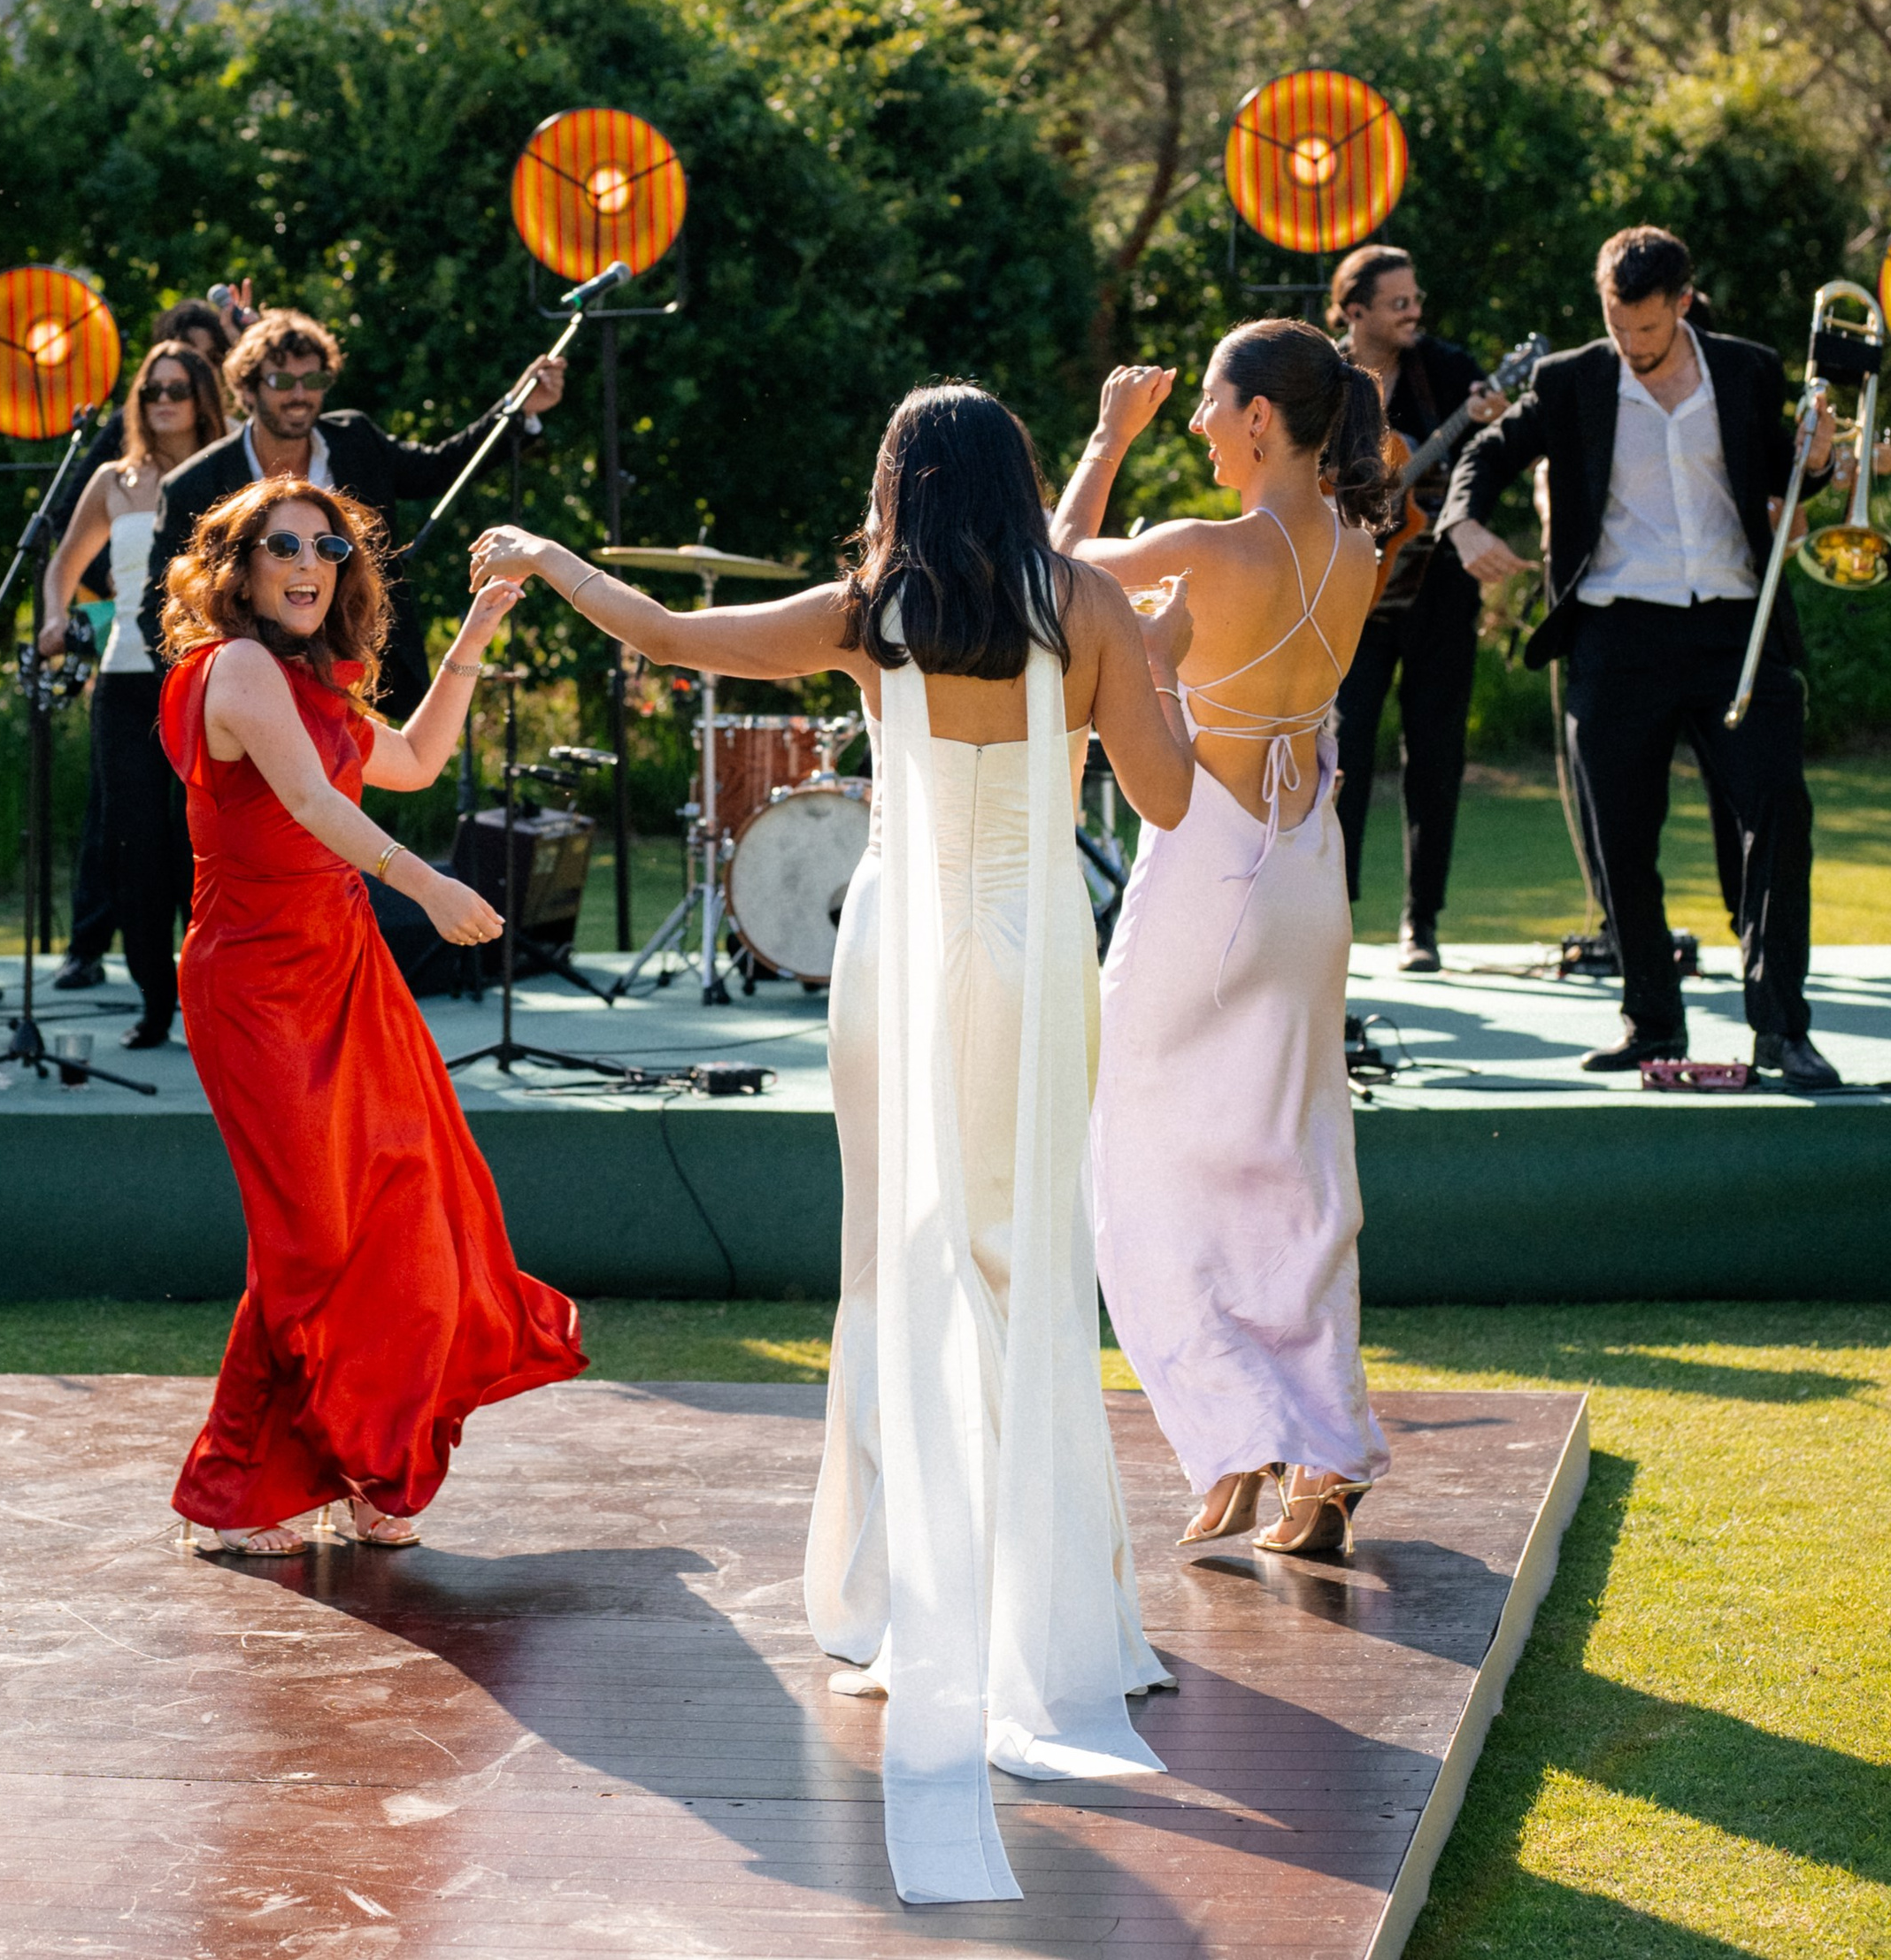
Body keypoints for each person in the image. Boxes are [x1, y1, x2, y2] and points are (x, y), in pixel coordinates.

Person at [472, 382, 1196, 1911]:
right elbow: (1171, 800)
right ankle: (1050, 1615)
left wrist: (544, 555)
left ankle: (888, 1594)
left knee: (901, 1255)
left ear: (900, 484)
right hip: (1040, 944)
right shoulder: (1092, 605)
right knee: (1027, 1258)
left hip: (908, 943)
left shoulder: (866, 613)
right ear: (1012, 483)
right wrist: (1158, 675)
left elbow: (662, 636)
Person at [158, 474, 584, 1555]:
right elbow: (309, 803)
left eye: (329, 547)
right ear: (240, 566)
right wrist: (429, 886)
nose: (308, 564)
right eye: (283, 545)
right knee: (308, 1238)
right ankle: (241, 1483)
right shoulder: (237, 668)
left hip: (343, 970)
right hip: (252, 984)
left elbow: (415, 761)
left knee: (405, 1211)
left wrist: (477, 629)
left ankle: (369, 1462)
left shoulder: (317, 685)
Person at [1051, 326, 1396, 1567]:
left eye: (1206, 402)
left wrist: (1105, 437)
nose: (1195, 420)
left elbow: (1045, 574)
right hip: (1310, 871)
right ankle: (1322, 1449)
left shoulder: (1205, 546)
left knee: (1127, 1151)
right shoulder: (1358, 546)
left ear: (1261, 417)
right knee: (1296, 1156)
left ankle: (1240, 1428)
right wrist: (1164, 637)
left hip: (1209, 868)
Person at [1439, 225, 1841, 1088]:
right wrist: (1463, 521)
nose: (1633, 348)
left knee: (1780, 815)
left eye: (1649, 333)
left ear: (1683, 302)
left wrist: (1814, 461)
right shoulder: (1571, 378)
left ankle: (1781, 1028)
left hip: (1737, 622)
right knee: (1620, 837)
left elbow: (1780, 472)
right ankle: (1651, 1021)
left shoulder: (1746, 368)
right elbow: (1486, 452)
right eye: (1619, 329)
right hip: (1616, 632)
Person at [142, 305, 567, 720]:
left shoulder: (356, 439)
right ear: (248, 390)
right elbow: (159, 607)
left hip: (364, 682)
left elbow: (438, 468)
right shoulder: (193, 486)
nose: (299, 394)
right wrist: (206, 695)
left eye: (313, 379)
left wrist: (518, 406)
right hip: (248, 689)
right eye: (282, 380)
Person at [38, 341, 230, 1046]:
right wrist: (58, 617)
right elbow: (62, 567)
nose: (163, 400)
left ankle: (216, 1001)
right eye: (152, 389)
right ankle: (155, 1001)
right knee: (135, 848)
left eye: (177, 388)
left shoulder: (232, 472)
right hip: (124, 681)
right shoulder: (115, 479)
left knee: (204, 847)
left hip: (212, 683)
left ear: (203, 394)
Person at [1326, 244, 1508, 971]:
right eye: (1397, 302)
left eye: (1415, 298)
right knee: (1345, 754)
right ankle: (1331, 912)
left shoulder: (1450, 369)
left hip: (1438, 588)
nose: (1413, 312)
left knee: (1436, 756)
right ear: (1354, 310)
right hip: (1354, 598)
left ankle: (1420, 925)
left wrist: (1486, 421)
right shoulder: (1324, 381)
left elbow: (1489, 458)